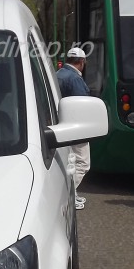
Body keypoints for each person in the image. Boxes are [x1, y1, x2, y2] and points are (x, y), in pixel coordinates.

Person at [57, 47, 91, 210]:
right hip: (76, 128)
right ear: (82, 62)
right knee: (83, 163)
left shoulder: (59, 74)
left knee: (69, 162)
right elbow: (82, 106)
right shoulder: (74, 79)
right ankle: (67, 194)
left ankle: (72, 194)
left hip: (61, 125)